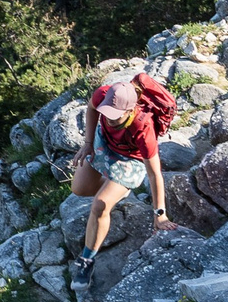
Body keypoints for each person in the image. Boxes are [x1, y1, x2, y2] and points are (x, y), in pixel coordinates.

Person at [70, 72, 178, 288]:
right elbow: (92, 108)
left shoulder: (142, 127)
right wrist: (88, 142)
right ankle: (116, 189)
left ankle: (86, 261)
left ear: (130, 110)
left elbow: (155, 173)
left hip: (131, 158)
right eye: (107, 112)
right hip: (105, 142)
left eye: (114, 114)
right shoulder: (103, 94)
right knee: (79, 189)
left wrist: (160, 214)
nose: (109, 116)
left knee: (100, 205)